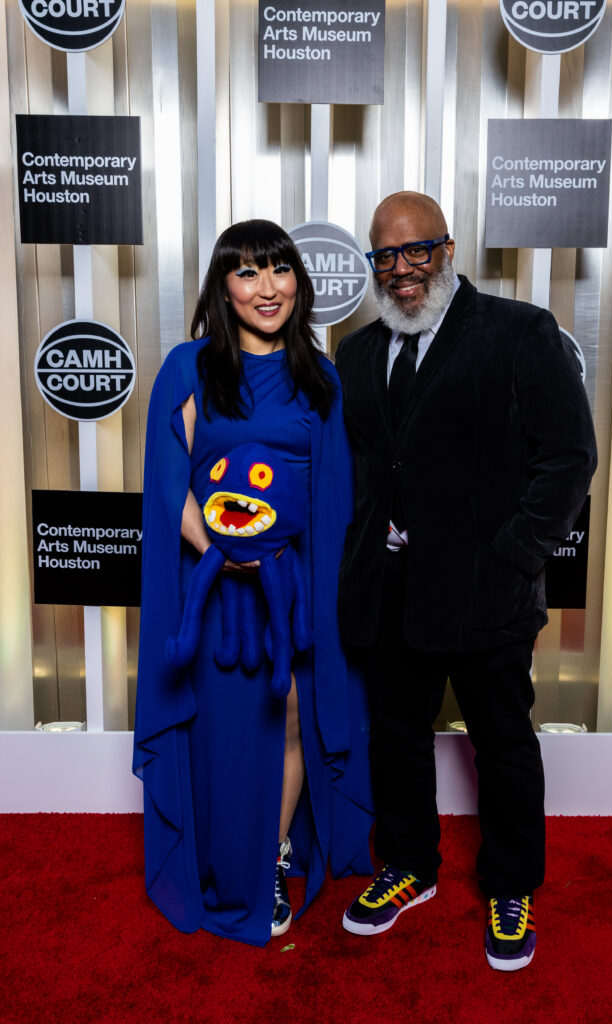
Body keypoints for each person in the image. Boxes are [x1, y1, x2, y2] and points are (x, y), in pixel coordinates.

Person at [335, 191, 597, 971]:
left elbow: (569, 457)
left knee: (503, 744)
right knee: (395, 739)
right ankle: (409, 867)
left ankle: (510, 885)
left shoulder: (518, 332)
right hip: (388, 592)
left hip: (488, 592)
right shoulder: (354, 353)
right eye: (384, 255)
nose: (401, 270)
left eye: (416, 251)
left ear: (447, 250)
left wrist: (514, 555)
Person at [133, 220, 373, 946]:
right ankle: (218, 858)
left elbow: (334, 493)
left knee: (295, 714)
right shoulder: (189, 367)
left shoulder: (318, 373)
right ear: (223, 287)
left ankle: (270, 857)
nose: (266, 288)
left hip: (293, 585)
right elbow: (169, 477)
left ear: (298, 280)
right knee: (223, 725)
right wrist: (223, 551)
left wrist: (317, 589)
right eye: (247, 273)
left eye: (278, 270)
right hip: (212, 581)